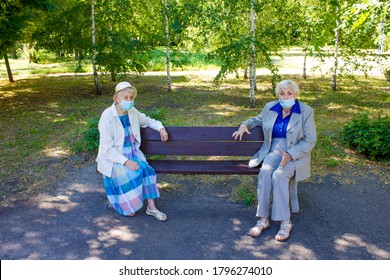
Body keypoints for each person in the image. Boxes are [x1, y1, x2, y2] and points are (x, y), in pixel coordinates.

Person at [233, 80, 316, 241]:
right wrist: (244, 124)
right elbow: (257, 120)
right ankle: (263, 220)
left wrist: (290, 154)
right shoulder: (270, 107)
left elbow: (310, 139)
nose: (285, 96)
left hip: (295, 153)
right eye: (282, 93)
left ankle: (285, 222)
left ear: (296, 95)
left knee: (279, 175)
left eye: (289, 93)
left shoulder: (306, 111)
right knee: (264, 173)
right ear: (278, 94)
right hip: (273, 150)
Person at [96, 81, 169, 221]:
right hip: (115, 157)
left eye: (131, 97)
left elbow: (147, 121)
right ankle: (126, 205)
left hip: (132, 153)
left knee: (147, 171)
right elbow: (106, 149)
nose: (129, 100)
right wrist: (126, 162)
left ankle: (151, 208)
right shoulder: (107, 116)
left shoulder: (132, 112)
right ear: (116, 98)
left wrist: (161, 128)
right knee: (130, 172)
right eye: (125, 97)